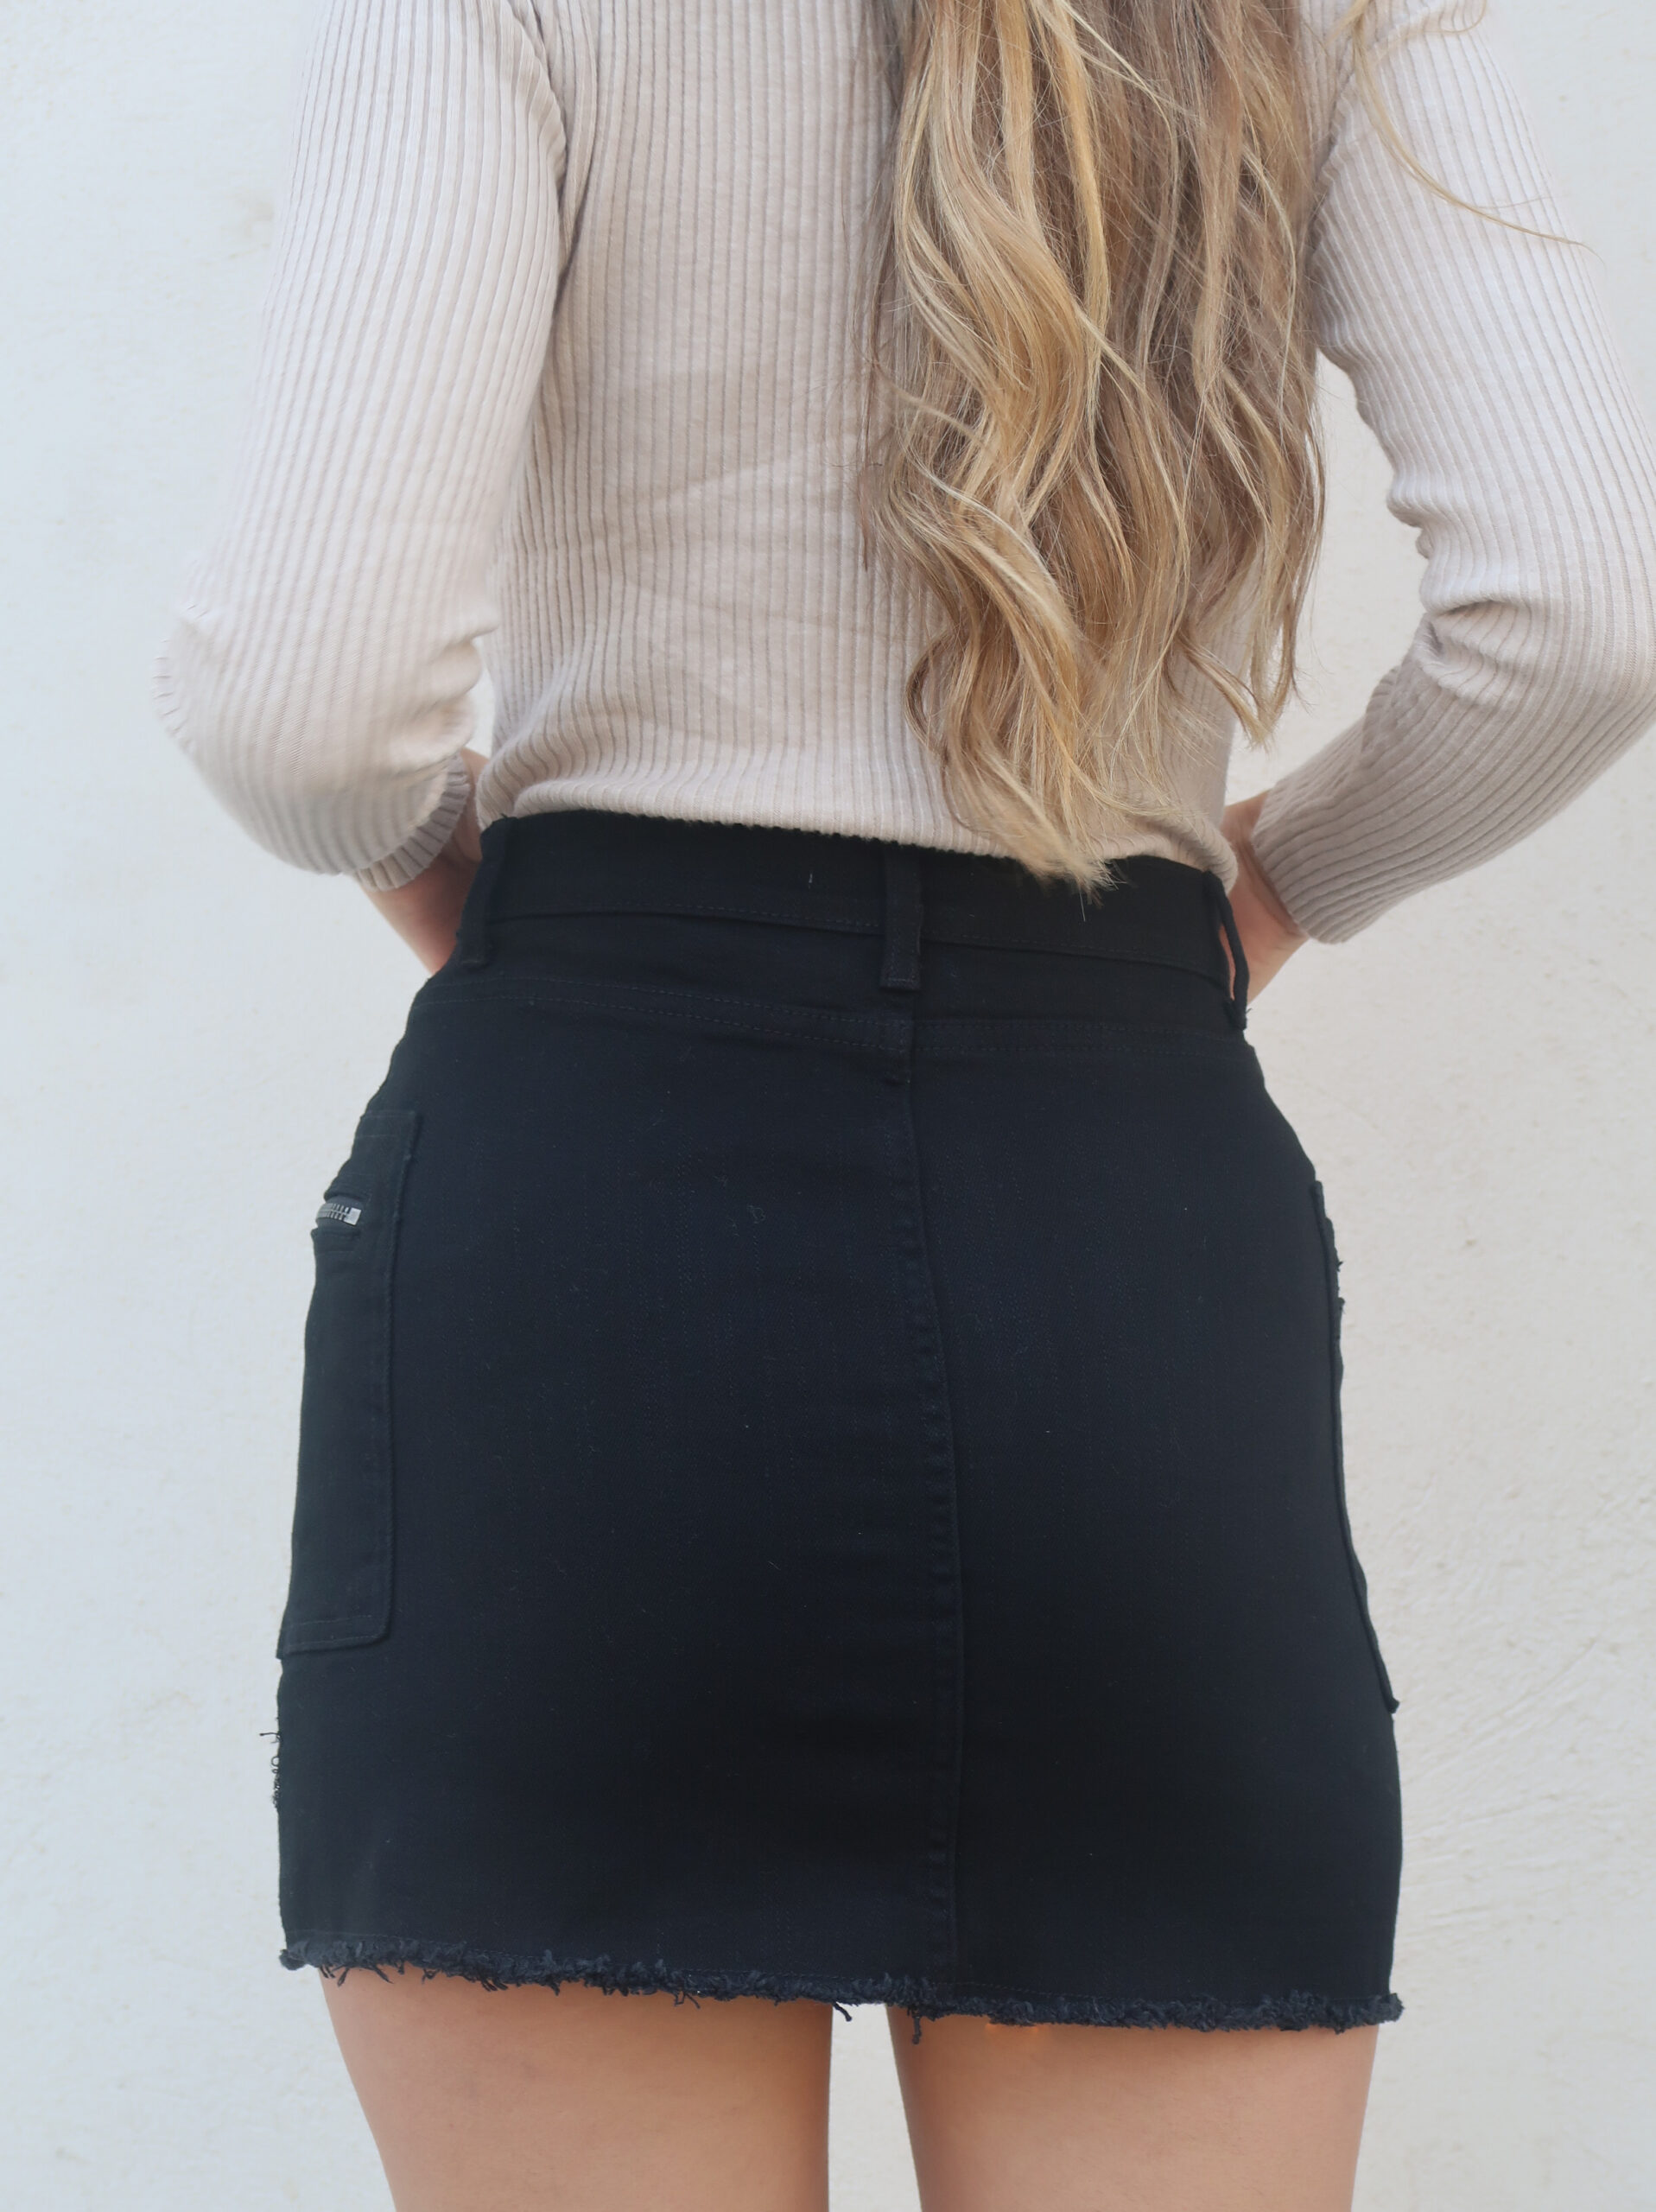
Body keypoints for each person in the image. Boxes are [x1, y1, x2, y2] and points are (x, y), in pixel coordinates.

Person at [155, 0, 1656, 2203]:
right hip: (1116, 1216)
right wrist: (1268, 887)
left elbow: (300, 701)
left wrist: (489, 908)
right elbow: (1579, 611)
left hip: (585, 1222)